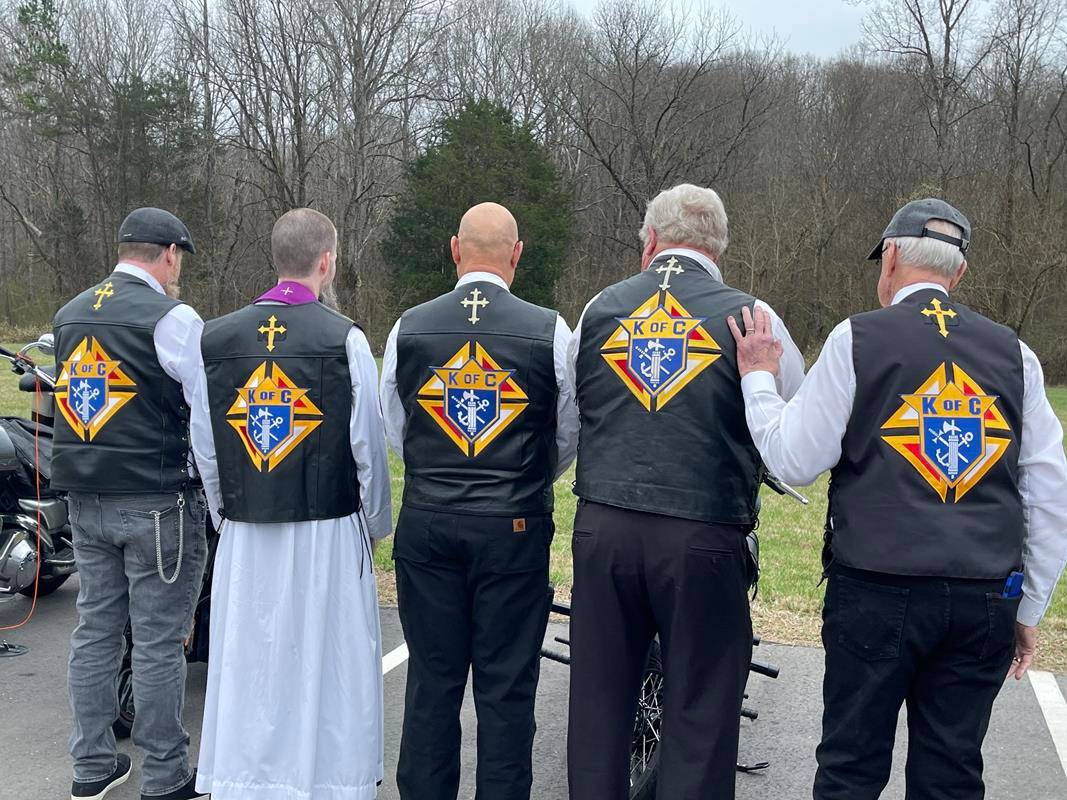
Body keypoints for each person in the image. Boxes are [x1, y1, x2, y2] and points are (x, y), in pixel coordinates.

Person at [729, 198, 1067, 799]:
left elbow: (794, 461)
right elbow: (1048, 493)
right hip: (983, 596)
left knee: (851, 768)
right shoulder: (1016, 355)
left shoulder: (857, 338)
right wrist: (1029, 607)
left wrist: (758, 376)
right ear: (957, 273)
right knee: (952, 774)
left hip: (875, 590)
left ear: (889, 258)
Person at [566, 183, 804, 799]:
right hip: (702, 532)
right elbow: (788, 416)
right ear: (718, 248)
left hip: (605, 527)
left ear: (650, 241)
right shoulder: (754, 318)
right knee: (700, 711)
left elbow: (573, 412)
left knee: (597, 707)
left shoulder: (599, 308)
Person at [379, 202, 579, 800]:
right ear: (517, 255)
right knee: (507, 689)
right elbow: (567, 430)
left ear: (454, 249)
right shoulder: (550, 330)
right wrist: (529, 476)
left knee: (432, 683)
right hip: (513, 528)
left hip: (428, 524)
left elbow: (399, 427)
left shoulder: (407, 328)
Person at [193, 208, 392, 800]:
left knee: (252, 659)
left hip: (246, 529)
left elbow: (205, 446)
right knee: (325, 662)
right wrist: (375, 523)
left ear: (276, 258)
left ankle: (246, 780)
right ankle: (327, 779)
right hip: (327, 531)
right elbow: (368, 445)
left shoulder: (216, 338)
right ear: (326, 261)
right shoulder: (345, 338)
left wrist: (224, 513)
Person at [54, 207, 210, 800]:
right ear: (169, 253)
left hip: (86, 496)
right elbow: (204, 418)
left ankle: (92, 765)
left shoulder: (70, 314)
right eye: (179, 261)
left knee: (95, 632)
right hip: (158, 500)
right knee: (159, 640)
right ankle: (166, 775)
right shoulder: (172, 317)